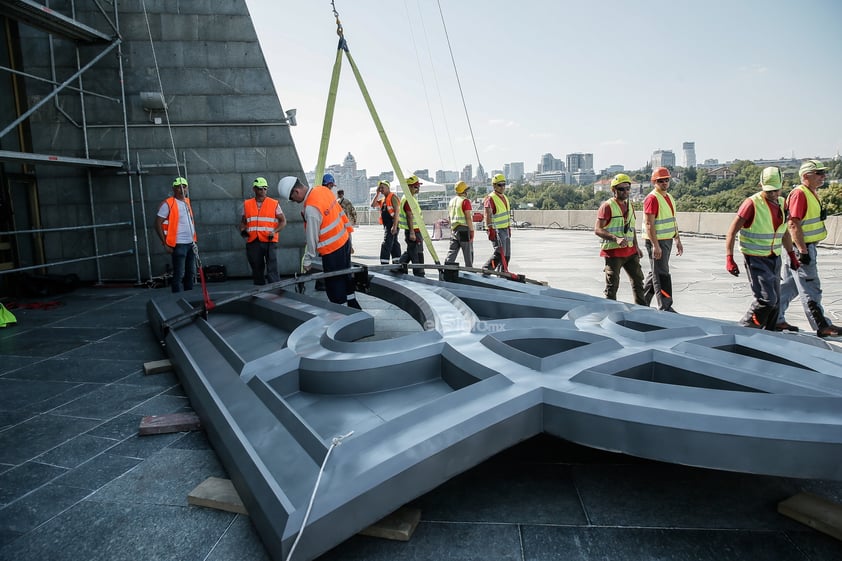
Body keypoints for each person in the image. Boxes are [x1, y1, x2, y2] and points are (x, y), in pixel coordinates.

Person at [724, 167, 799, 330]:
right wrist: (729, 258)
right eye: (769, 191)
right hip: (755, 258)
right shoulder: (751, 203)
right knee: (766, 299)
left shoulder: (782, 203)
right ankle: (745, 328)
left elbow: (784, 232)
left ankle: (769, 332)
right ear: (761, 185)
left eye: (776, 190)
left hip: (774, 257)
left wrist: (792, 255)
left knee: (776, 302)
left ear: (782, 185)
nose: (773, 194)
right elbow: (732, 231)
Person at [776, 159, 840, 337]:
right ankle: (822, 325)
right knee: (811, 287)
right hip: (801, 248)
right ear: (806, 176)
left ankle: (773, 317)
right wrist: (803, 251)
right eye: (818, 173)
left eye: (823, 173)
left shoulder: (810, 192)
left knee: (790, 286)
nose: (823, 176)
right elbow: (793, 224)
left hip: (801, 247)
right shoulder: (800, 193)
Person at [277, 176, 360, 309]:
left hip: (332, 250)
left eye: (292, 199)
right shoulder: (322, 190)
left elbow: (312, 236)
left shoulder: (311, 208)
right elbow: (340, 213)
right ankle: (353, 306)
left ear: (296, 192)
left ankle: (343, 314)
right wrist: (349, 233)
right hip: (344, 241)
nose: (294, 202)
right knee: (345, 276)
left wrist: (308, 260)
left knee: (334, 285)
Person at [594, 173, 645, 304]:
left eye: (628, 188)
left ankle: (642, 310)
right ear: (614, 190)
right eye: (621, 189)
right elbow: (598, 229)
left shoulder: (630, 206)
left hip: (630, 251)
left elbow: (631, 228)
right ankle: (611, 310)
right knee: (612, 286)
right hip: (613, 253)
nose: (625, 191)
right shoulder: (607, 206)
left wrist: (637, 247)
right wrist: (615, 238)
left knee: (638, 282)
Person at [642, 167, 683, 311]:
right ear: (654, 182)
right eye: (661, 181)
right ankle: (665, 306)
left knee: (655, 271)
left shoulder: (668, 197)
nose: (664, 183)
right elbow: (649, 224)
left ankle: (642, 302)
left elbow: (672, 220)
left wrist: (677, 239)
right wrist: (655, 245)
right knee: (662, 274)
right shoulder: (652, 198)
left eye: (666, 180)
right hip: (657, 241)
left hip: (667, 240)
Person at [240, 176, 286, 285]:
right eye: (260, 188)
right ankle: (259, 289)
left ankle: (275, 288)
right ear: (254, 189)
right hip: (253, 241)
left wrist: (274, 231)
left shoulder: (274, 204)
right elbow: (243, 222)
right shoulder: (247, 204)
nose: (263, 191)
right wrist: (243, 230)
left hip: (269, 240)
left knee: (272, 266)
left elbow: (283, 221)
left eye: (265, 188)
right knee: (256, 267)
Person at [155, 176, 197, 293]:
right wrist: (165, 243)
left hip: (190, 244)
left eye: (184, 187)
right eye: (178, 187)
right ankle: (177, 299)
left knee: (190, 273)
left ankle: (189, 298)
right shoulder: (169, 204)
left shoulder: (187, 202)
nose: (182, 189)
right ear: (174, 189)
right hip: (178, 244)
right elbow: (157, 223)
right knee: (179, 274)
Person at [394, 175, 426, 276]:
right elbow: (409, 216)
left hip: (415, 230)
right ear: (409, 187)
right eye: (416, 187)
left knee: (411, 250)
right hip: (413, 231)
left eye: (418, 186)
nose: (418, 189)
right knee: (416, 253)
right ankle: (419, 273)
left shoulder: (409, 198)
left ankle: (399, 267)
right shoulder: (408, 199)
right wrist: (412, 232)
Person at [483, 173, 512, 271]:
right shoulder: (490, 198)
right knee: (499, 254)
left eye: (504, 184)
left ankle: (502, 273)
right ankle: (487, 269)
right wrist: (490, 229)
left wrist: (508, 228)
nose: (502, 187)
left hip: (505, 229)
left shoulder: (504, 197)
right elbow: (488, 214)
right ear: (494, 185)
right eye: (500, 185)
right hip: (497, 230)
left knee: (507, 255)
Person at [445, 181, 474, 268]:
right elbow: (468, 217)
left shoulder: (452, 201)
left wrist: (451, 229)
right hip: (464, 230)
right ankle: (470, 271)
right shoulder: (465, 201)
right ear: (464, 191)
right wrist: (472, 230)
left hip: (454, 229)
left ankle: (446, 270)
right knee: (468, 253)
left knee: (452, 252)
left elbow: (449, 217)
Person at [371, 180, 401, 264]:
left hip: (392, 223)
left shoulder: (392, 197)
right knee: (394, 243)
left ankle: (384, 263)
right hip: (387, 224)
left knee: (386, 243)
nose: (381, 189)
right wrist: (377, 194)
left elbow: (397, 212)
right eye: (379, 188)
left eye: (382, 187)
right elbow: (373, 205)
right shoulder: (383, 199)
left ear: (388, 188)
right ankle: (397, 262)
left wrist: (394, 226)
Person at [337, 189, 357, 254]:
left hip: (339, 222)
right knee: (348, 235)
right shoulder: (347, 201)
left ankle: (342, 248)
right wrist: (354, 220)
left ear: (338, 194)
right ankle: (350, 246)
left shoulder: (336, 202)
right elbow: (353, 211)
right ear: (343, 194)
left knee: (340, 235)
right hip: (347, 221)